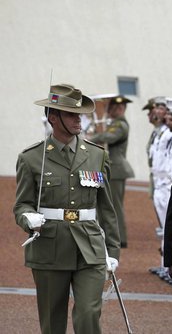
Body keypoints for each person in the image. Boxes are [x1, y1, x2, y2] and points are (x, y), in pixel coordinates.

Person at [14, 84, 120, 334]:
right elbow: (21, 204)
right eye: (72, 114)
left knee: (89, 313)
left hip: (90, 246)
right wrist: (27, 218)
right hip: (50, 246)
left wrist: (113, 250)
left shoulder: (96, 155)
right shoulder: (31, 158)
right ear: (54, 117)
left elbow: (106, 207)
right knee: (52, 320)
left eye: (79, 114)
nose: (78, 120)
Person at [88, 95, 135, 248]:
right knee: (109, 205)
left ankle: (120, 238)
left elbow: (109, 137)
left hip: (116, 169)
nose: (110, 110)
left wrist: (91, 139)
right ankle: (112, 236)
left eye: (113, 107)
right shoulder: (114, 123)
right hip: (112, 168)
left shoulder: (120, 124)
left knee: (115, 206)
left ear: (121, 109)